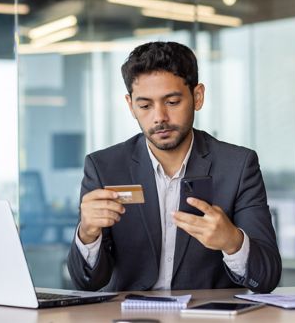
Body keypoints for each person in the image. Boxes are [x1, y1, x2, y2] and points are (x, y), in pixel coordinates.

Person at [67, 41, 281, 293]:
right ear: (130, 105)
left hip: (205, 317)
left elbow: (267, 278)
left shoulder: (238, 166)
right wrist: (88, 233)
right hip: (129, 317)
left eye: (172, 102)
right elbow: (86, 282)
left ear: (197, 96)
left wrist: (233, 242)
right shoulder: (104, 167)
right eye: (145, 106)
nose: (159, 117)